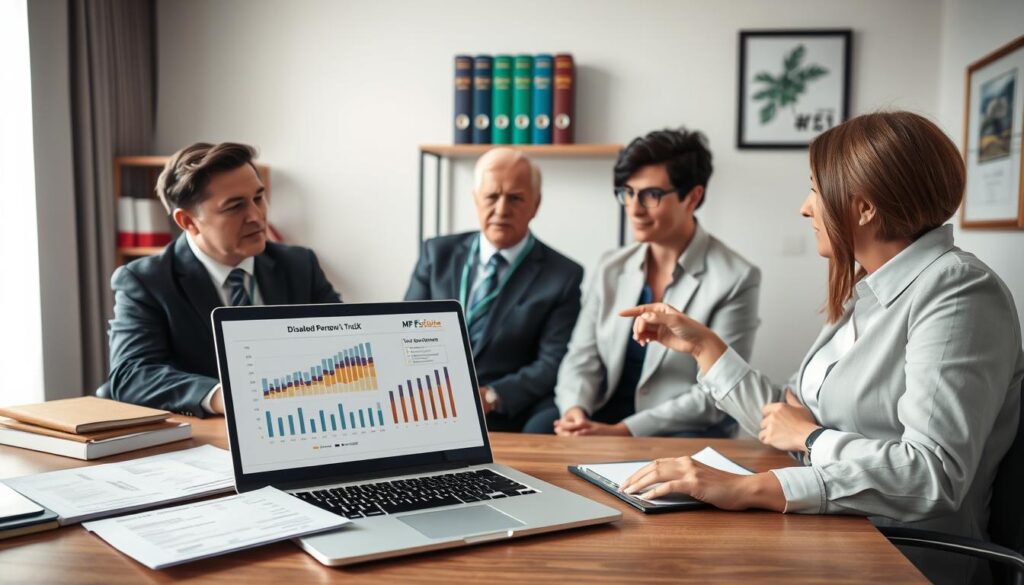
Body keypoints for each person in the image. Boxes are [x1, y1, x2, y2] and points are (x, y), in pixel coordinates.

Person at [619, 112, 1024, 585]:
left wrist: (800, 449)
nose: (806, 208)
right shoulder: (869, 290)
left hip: (904, 558)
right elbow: (785, 420)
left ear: (865, 208)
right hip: (832, 529)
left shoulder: (958, 293)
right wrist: (705, 349)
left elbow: (932, 474)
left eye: (815, 188)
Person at [544, 128, 760, 437]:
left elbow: (719, 390)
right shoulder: (611, 266)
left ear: (693, 197)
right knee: (541, 429)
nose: (633, 208)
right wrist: (574, 411)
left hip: (681, 427)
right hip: (605, 412)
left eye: (651, 195)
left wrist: (624, 430)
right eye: (628, 192)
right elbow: (582, 355)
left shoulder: (736, 277)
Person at [106, 142, 342, 417]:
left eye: (258, 198)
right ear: (188, 221)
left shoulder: (299, 265)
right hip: (210, 438)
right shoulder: (146, 282)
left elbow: (344, 342)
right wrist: (224, 396)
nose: (256, 216)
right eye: (234, 207)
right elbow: (131, 375)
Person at [405, 147, 584, 433]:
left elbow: (552, 362)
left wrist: (489, 396)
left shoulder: (562, 275)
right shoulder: (437, 254)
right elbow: (406, 331)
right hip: (430, 399)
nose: (501, 210)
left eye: (515, 198)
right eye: (492, 196)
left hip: (505, 411)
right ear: (476, 200)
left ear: (535, 205)